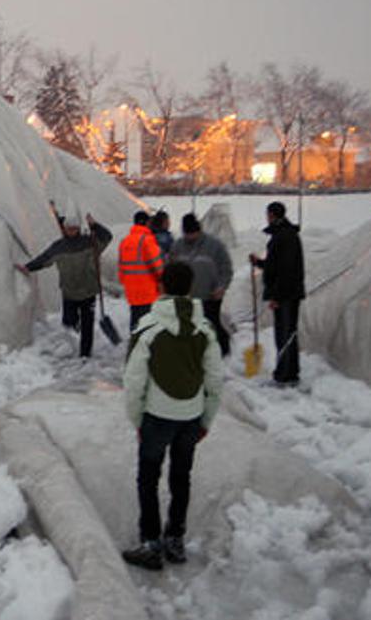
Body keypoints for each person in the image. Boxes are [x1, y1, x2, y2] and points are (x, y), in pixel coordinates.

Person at [121, 262, 223, 570]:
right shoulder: (204, 331)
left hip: (156, 416)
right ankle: (175, 539)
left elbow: (133, 381)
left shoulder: (148, 329)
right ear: (190, 289)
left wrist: (137, 419)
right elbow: (214, 381)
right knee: (181, 478)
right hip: (190, 417)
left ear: (161, 286)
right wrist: (206, 420)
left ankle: (151, 543)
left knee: (149, 478)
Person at [16, 211, 112, 358]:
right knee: (68, 322)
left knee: (87, 325)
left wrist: (94, 225)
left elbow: (107, 237)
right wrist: (28, 267)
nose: (71, 231)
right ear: (64, 229)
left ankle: (85, 354)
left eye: (74, 228)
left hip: (88, 291)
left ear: (79, 228)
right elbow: (44, 259)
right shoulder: (59, 246)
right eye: (69, 228)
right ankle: (72, 342)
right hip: (69, 292)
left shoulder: (90, 242)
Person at [249, 201, 305, 388]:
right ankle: (288, 372)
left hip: (286, 295)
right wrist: (259, 263)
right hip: (287, 293)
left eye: (268, 214)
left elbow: (285, 270)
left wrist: (276, 296)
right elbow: (274, 265)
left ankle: (285, 374)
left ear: (272, 215)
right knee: (285, 333)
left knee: (285, 334)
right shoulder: (284, 235)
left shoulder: (284, 237)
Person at [170, 213, 234, 357]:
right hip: (186, 297)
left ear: (199, 230)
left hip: (210, 296)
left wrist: (222, 287)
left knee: (212, 324)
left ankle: (224, 352)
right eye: (187, 234)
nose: (190, 237)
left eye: (193, 233)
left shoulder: (215, 245)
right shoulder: (177, 246)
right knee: (189, 326)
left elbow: (226, 269)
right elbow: (170, 268)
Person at [118, 211, 165, 332]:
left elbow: (121, 268)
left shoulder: (125, 241)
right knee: (147, 324)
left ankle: (134, 344)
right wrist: (162, 281)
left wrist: (126, 283)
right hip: (147, 290)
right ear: (146, 223)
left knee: (135, 320)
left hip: (131, 290)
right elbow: (157, 265)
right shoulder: (148, 240)